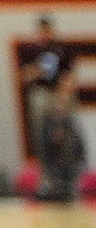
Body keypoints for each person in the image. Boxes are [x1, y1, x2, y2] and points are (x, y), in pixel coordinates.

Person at [20, 16, 81, 200]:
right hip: (42, 91)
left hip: (60, 91)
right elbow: (24, 76)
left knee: (66, 133)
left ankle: (70, 179)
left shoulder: (63, 49)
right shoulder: (31, 50)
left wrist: (61, 101)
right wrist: (39, 68)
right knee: (41, 130)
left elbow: (69, 77)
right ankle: (46, 178)